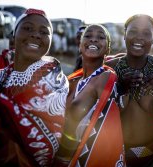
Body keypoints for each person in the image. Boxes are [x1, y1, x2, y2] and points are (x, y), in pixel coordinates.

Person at [0, 8, 69, 167]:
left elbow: (53, 132)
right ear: (13, 34)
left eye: (44, 32)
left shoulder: (55, 80)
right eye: (28, 28)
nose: (36, 34)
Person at [105, 14, 153, 166]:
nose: (139, 37)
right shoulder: (110, 67)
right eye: (133, 31)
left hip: (151, 155)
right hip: (112, 153)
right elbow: (98, 111)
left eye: (146, 33)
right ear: (124, 34)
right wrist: (120, 86)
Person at [54, 24, 125, 167]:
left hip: (80, 160)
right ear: (80, 46)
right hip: (54, 157)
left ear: (108, 49)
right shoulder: (71, 81)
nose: (93, 40)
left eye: (100, 37)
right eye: (88, 36)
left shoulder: (105, 78)